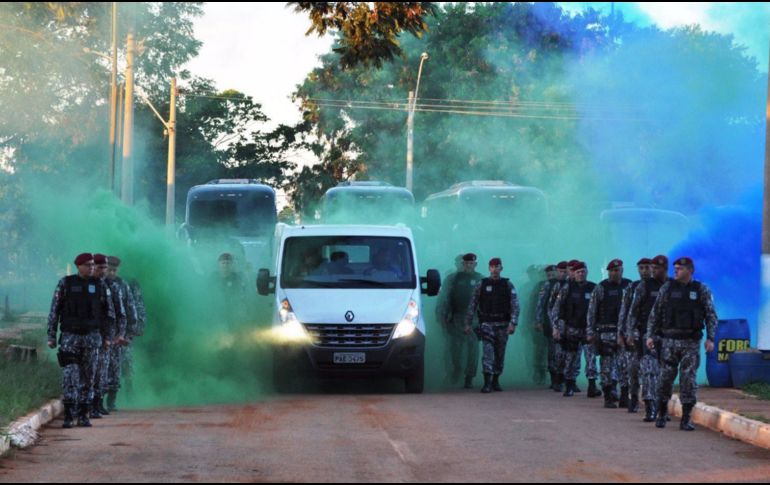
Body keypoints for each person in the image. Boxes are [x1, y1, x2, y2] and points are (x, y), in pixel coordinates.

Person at [647, 257, 718, 431]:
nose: (676, 271)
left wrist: (711, 338)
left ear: (690, 271)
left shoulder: (701, 290)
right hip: (669, 341)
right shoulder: (667, 288)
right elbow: (655, 313)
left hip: (691, 343)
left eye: (680, 268)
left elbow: (711, 315)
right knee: (665, 379)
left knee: (688, 380)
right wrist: (650, 335)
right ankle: (662, 413)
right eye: (675, 268)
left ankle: (686, 418)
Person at [47, 253, 116, 428]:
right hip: (70, 337)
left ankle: (84, 415)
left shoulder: (100, 285)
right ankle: (70, 415)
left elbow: (109, 314)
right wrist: (51, 335)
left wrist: (108, 337)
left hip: (92, 338)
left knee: (89, 377)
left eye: (93, 265)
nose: (91, 268)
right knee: (70, 376)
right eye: (87, 265)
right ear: (78, 266)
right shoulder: (65, 283)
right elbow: (54, 310)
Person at [464, 257, 519, 394]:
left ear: (501, 268)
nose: (495, 270)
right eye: (492, 267)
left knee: (500, 353)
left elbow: (515, 305)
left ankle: (496, 379)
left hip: (503, 324)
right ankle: (487, 382)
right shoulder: (481, 284)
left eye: (497, 267)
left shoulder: (507, 285)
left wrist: (513, 323)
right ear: (489, 269)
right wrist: (468, 323)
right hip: (487, 324)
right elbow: (473, 304)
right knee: (488, 353)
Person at [626, 254, 671, 422]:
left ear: (665, 269)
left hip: (668, 336)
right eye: (652, 268)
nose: (653, 271)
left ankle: (662, 407)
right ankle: (650, 406)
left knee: (664, 374)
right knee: (649, 372)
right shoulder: (644, 286)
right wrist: (630, 332)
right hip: (647, 335)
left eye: (657, 268)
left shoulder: (671, 286)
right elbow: (633, 311)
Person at [587, 259, 631, 409]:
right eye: (611, 270)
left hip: (624, 333)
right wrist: (590, 331)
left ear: (622, 271)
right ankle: (608, 395)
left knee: (625, 365)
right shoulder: (601, 288)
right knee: (606, 366)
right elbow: (592, 311)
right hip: (606, 332)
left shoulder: (629, 286)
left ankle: (625, 395)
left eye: (616, 270)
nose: (614, 273)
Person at [435, 253, 483, 388]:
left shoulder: (480, 279)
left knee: (473, 344)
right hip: (456, 317)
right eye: (466, 263)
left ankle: (469, 376)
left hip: (475, 318)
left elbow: (486, 301)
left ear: (475, 264)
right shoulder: (452, 279)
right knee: (455, 348)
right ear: (462, 264)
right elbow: (444, 298)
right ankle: (456, 371)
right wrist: (441, 316)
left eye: (471, 263)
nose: (468, 266)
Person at [553, 261, 596, 397]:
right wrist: (556, 328)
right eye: (578, 272)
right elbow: (557, 308)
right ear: (574, 274)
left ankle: (592, 386)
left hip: (588, 330)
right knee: (571, 358)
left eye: (583, 271)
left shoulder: (594, 288)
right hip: (571, 329)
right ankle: (570, 385)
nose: (581, 274)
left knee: (591, 358)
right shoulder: (567, 288)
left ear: (587, 272)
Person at [618, 257, 652, 413]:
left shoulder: (663, 286)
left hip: (654, 335)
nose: (645, 271)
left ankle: (651, 401)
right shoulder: (632, 288)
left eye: (647, 267)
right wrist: (623, 333)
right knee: (633, 368)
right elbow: (625, 311)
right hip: (636, 334)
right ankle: (633, 397)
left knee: (652, 370)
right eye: (642, 268)